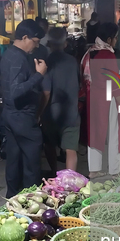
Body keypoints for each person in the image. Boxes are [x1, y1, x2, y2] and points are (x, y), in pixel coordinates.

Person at [0, 19, 47, 198]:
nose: (36, 46)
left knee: (14, 158)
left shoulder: (9, 54)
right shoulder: (19, 58)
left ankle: (12, 197)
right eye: (35, 42)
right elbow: (15, 91)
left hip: (10, 115)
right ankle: (31, 198)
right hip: (22, 117)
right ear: (25, 37)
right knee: (32, 161)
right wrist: (38, 75)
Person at [81, 22, 120, 179]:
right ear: (109, 39)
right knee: (115, 133)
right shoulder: (108, 55)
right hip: (108, 100)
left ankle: (94, 170)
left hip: (92, 99)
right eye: (115, 38)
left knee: (95, 132)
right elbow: (114, 85)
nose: (116, 41)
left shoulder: (90, 53)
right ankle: (114, 170)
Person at [41, 28, 80, 172]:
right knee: (71, 149)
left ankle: (54, 174)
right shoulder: (72, 61)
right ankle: (69, 181)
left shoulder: (46, 63)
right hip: (71, 112)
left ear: (49, 43)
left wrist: (39, 113)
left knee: (50, 146)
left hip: (51, 114)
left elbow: (45, 93)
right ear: (65, 44)